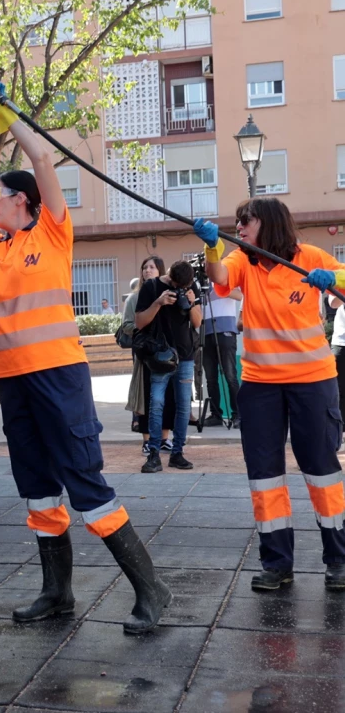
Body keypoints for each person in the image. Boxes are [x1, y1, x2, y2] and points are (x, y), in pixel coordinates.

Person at [0, 72, 171, 633]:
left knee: (84, 482)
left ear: (20, 200)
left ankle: (152, 589)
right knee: (38, 487)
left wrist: (5, 110)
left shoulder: (52, 231)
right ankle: (57, 593)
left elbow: (43, 159)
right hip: (14, 380)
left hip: (59, 376)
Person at [194, 197, 345, 591]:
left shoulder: (310, 256)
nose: (239, 227)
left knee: (321, 468)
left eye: (247, 221)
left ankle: (340, 560)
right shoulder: (244, 261)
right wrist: (212, 247)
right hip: (261, 385)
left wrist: (335, 281)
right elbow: (219, 275)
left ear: (271, 223)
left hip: (312, 380)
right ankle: (277, 563)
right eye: (237, 222)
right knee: (265, 475)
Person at [135, 260, 203, 473]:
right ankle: (154, 454)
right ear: (170, 277)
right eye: (177, 286)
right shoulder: (152, 287)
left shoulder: (191, 286)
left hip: (185, 355)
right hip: (160, 357)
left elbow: (198, 322)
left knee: (184, 406)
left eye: (184, 287)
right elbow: (139, 322)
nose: (180, 290)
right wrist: (158, 303)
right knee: (156, 403)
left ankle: (177, 453)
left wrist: (191, 303)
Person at [123, 257, 177, 457]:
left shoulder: (170, 293)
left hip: (168, 353)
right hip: (145, 354)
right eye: (144, 267)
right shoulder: (133, 298)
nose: (147, 270)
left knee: (168, 396)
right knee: (146, 396)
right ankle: (146, 440)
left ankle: (164, 438)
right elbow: (128, 325)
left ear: (160, 270)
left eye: (152, 267)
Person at [201, 288, 242, 428]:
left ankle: (238, 414)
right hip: (205, 332)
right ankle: (215, 415)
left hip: (226, 330)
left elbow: (240, 295)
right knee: (210, 378)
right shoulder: (199, 279)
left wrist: (219, 286)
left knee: (230, 376)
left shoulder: (224, 277)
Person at [329, 294, 345, 431]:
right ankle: (339, 432)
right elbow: (333, 303)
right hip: (342, 343)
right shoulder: (340, 273)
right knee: (338, 390)